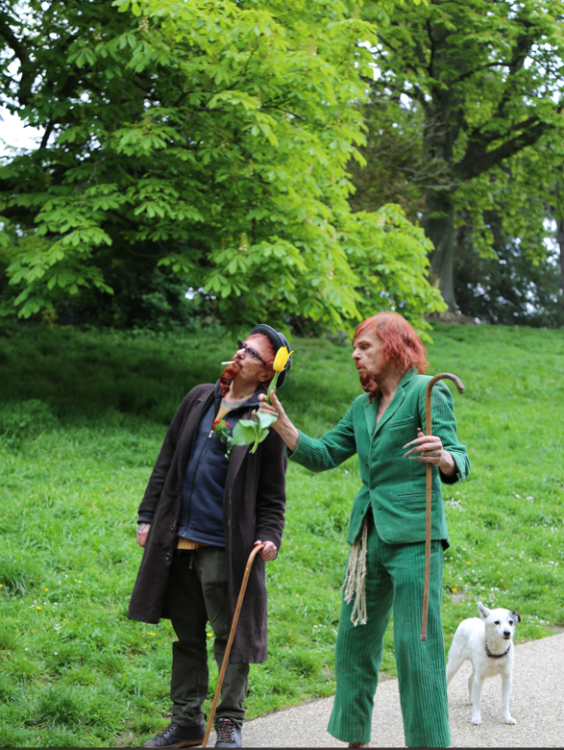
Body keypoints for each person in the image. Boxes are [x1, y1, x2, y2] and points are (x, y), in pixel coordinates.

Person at [259, 312, 469, 748]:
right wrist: (282, 424)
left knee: (416, 646)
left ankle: (429, 743)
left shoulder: (427, 391)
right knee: (353, 642)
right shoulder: (362, 407)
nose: (355, 355)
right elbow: (323, 454)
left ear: (393, 346)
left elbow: (459, 458)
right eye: (354, 349)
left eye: (364, 347)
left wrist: (443, 456)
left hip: (416, 536)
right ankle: (356, 739)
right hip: (367, 537)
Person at [129, 324, 292, 749]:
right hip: (177, 540)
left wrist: (270, 536)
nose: (239, 353)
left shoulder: (265, 419)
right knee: (186, 637)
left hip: (225, 547)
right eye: (241, 346)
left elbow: (273, 493)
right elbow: (167, 458)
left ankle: (229, 721)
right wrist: (147, 516)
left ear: (266, 373)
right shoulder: (200, 398)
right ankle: (186, 721)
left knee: (230, 638)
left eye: (251, 353)